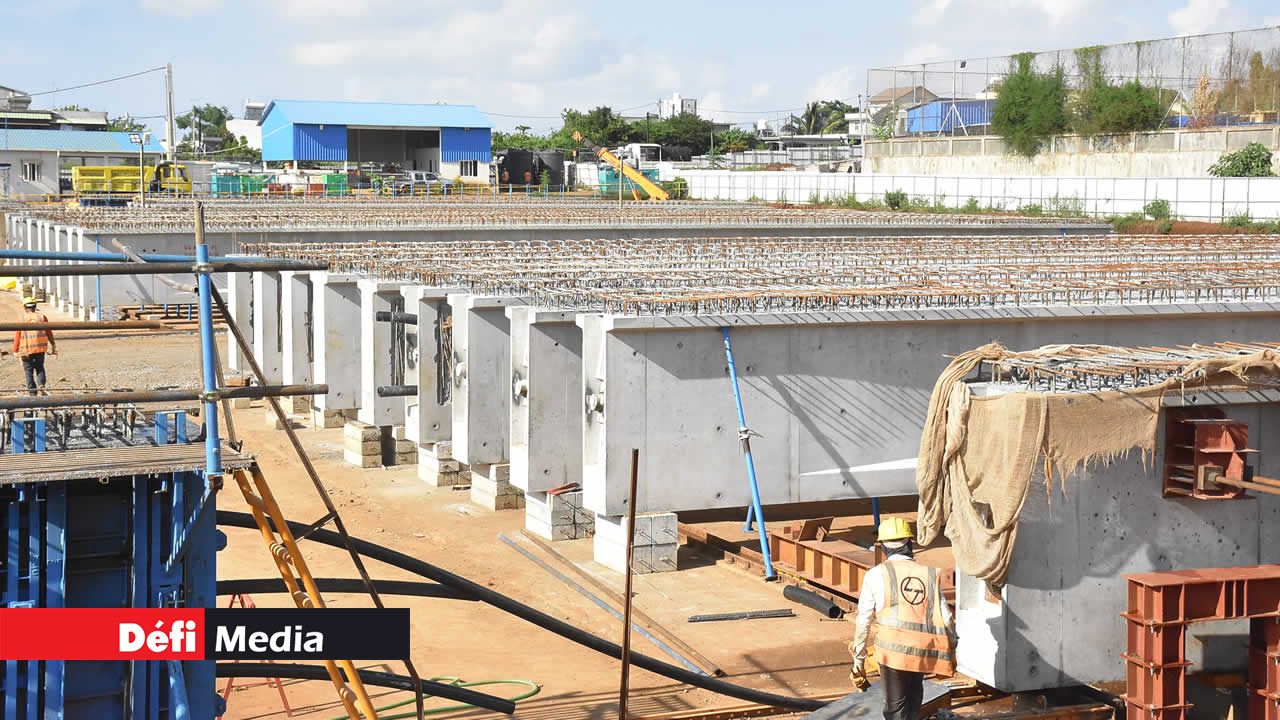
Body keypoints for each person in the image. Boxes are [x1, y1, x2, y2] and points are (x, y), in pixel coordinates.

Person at [850, 517, 955, 720]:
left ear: (882, 547)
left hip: (892, 652)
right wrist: (952, 646)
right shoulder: (929, 574)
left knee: (895, 708)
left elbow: (863, 619)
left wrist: (859, 658)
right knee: (914, 702)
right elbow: (947, 617)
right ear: (909, 543)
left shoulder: (875, 575)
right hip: (922, 650)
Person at [13, 296, 56, 395]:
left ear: (24, 307)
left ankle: (32, 393)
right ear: (35, 306)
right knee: (40, 368)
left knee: (28, 371)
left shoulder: (22, 318)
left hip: (26, 350)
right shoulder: (42, 317)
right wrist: (53, 344)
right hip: (40, 349)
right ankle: (41, 386)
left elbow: (18, 335)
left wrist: (15, 350)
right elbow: (49, 332)